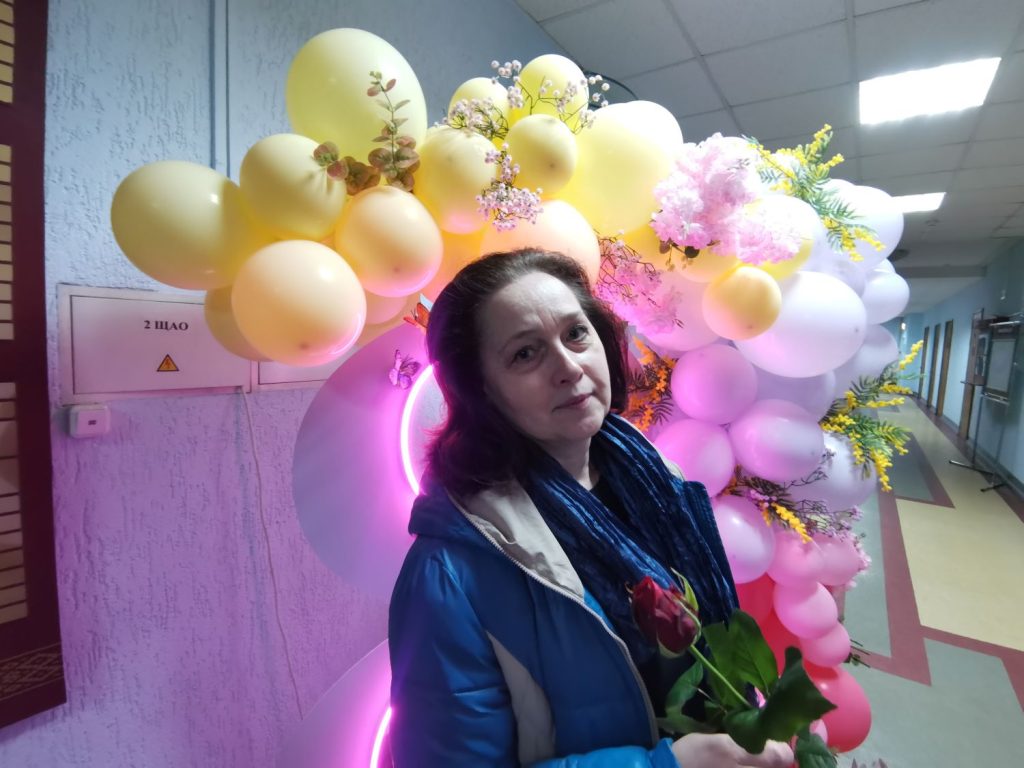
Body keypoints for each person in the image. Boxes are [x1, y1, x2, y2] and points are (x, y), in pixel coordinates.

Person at [388, 248, 793, 767]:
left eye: (576, 334)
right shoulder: (449, 573)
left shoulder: (656, 481)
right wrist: (662, 766)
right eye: (525, 354)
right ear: (480, 390)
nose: (568, 367)